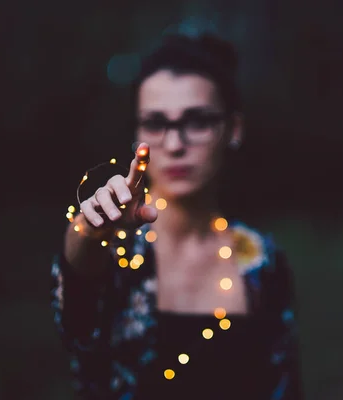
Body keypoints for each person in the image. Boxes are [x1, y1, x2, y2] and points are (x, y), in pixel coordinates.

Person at [51, 33, 302, 400]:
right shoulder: (116, 251)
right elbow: (76, 303)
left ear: (233, 130)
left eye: (197, 121)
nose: (174, 144)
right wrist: (87, 233)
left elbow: (283, 386)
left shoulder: (261, 260)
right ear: (136, 133)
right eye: (155, 123)